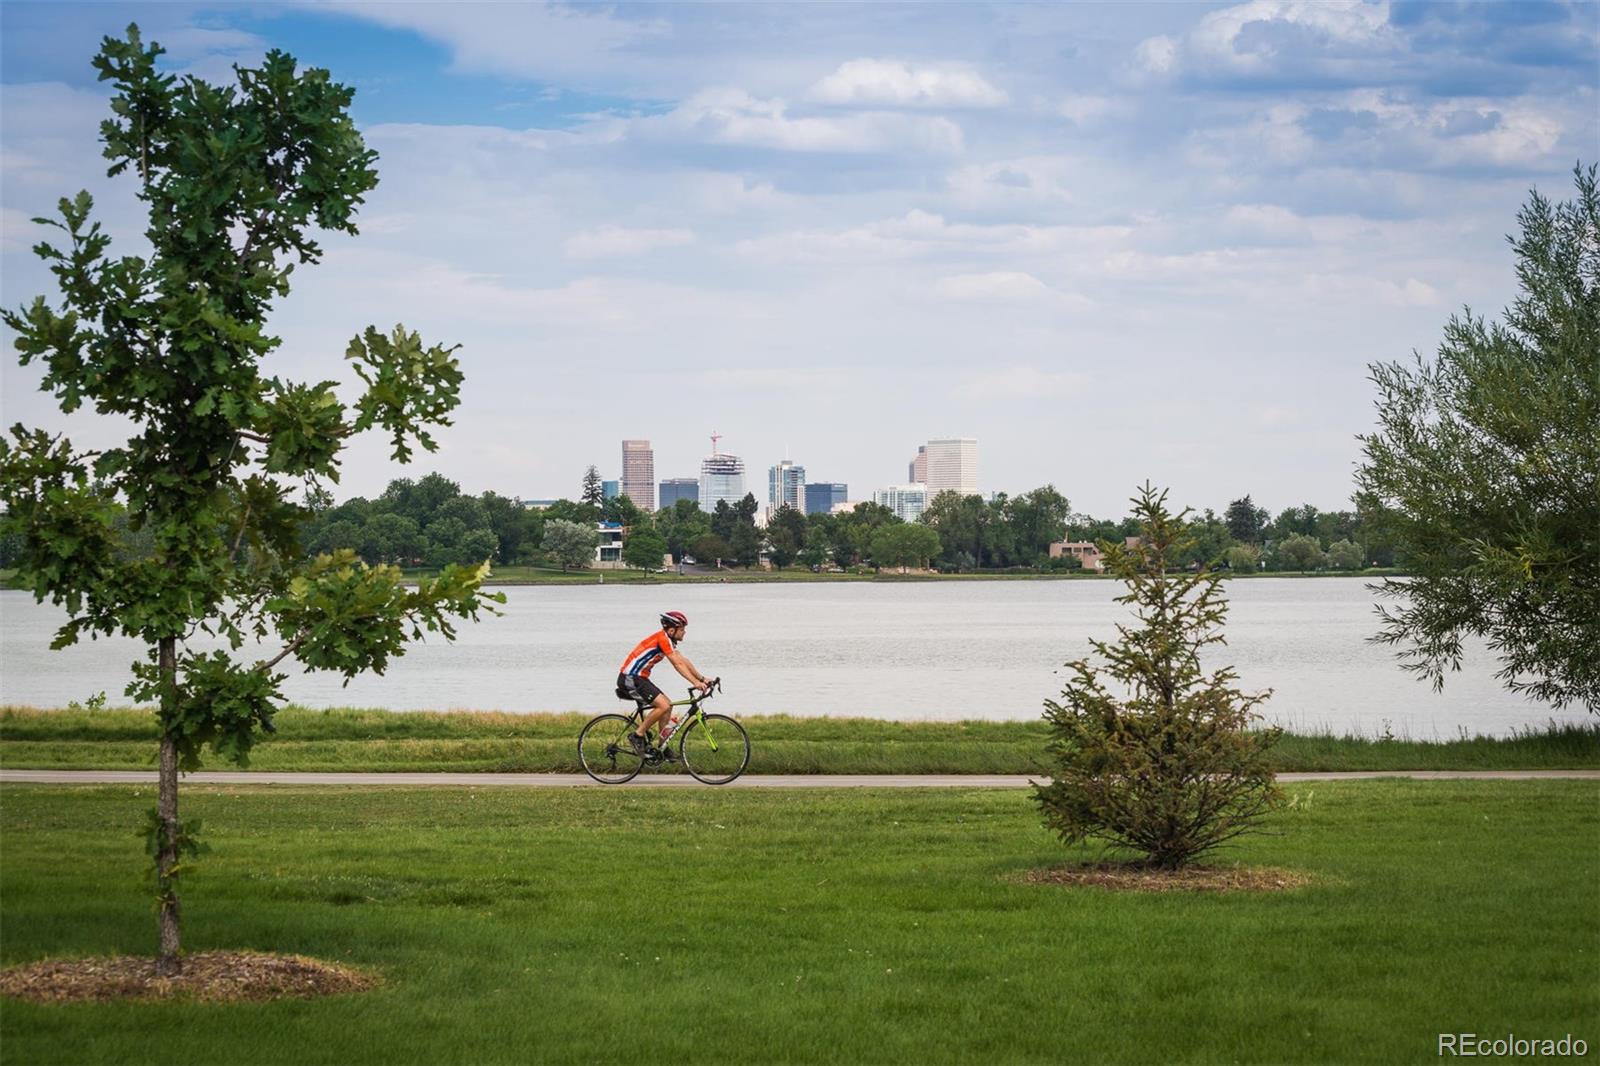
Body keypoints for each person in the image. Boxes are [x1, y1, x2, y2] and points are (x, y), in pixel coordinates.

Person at [617, 610, 714, 755]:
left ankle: (663, 747)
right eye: (682, 629)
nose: (684, 632)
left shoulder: (667, 640)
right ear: (671, 630)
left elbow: (683, 661)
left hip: (640, 678)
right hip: (630, 678)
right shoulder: (662, 639)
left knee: (667, 707)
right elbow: (677, 665)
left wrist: (702, 679)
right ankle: (637, 735)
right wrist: (695, 682)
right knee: (664, 705)